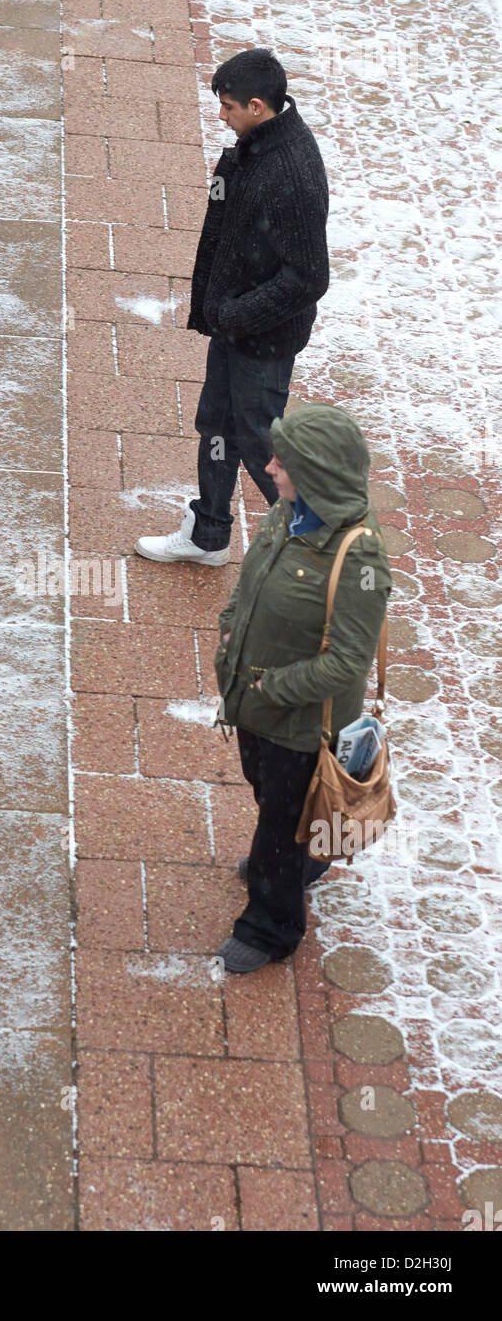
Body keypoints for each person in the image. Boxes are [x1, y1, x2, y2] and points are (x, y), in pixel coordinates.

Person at [211, 403, 392, 974]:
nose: (269, 468)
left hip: (299, 722)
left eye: (282, 462)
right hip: (258, 704)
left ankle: (271, 928)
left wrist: (273, 685)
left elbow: (348, 662)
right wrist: (231, 620)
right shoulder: (287, 513)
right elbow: (252, 578)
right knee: (269, 795)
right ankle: (301, 858)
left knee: (278, 827)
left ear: (313, 473)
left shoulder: (361, 558)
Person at [135, 48, 329, 567]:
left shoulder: (292, 173)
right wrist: (223, 314)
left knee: (260, 443)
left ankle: (317, 554)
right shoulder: (257, 146)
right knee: (217, 426)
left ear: (258, 106)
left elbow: (310, 277)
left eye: (228, 107)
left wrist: (238, 315)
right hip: (235, 324)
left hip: (262, 336)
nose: (222, 116)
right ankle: (208, 534)